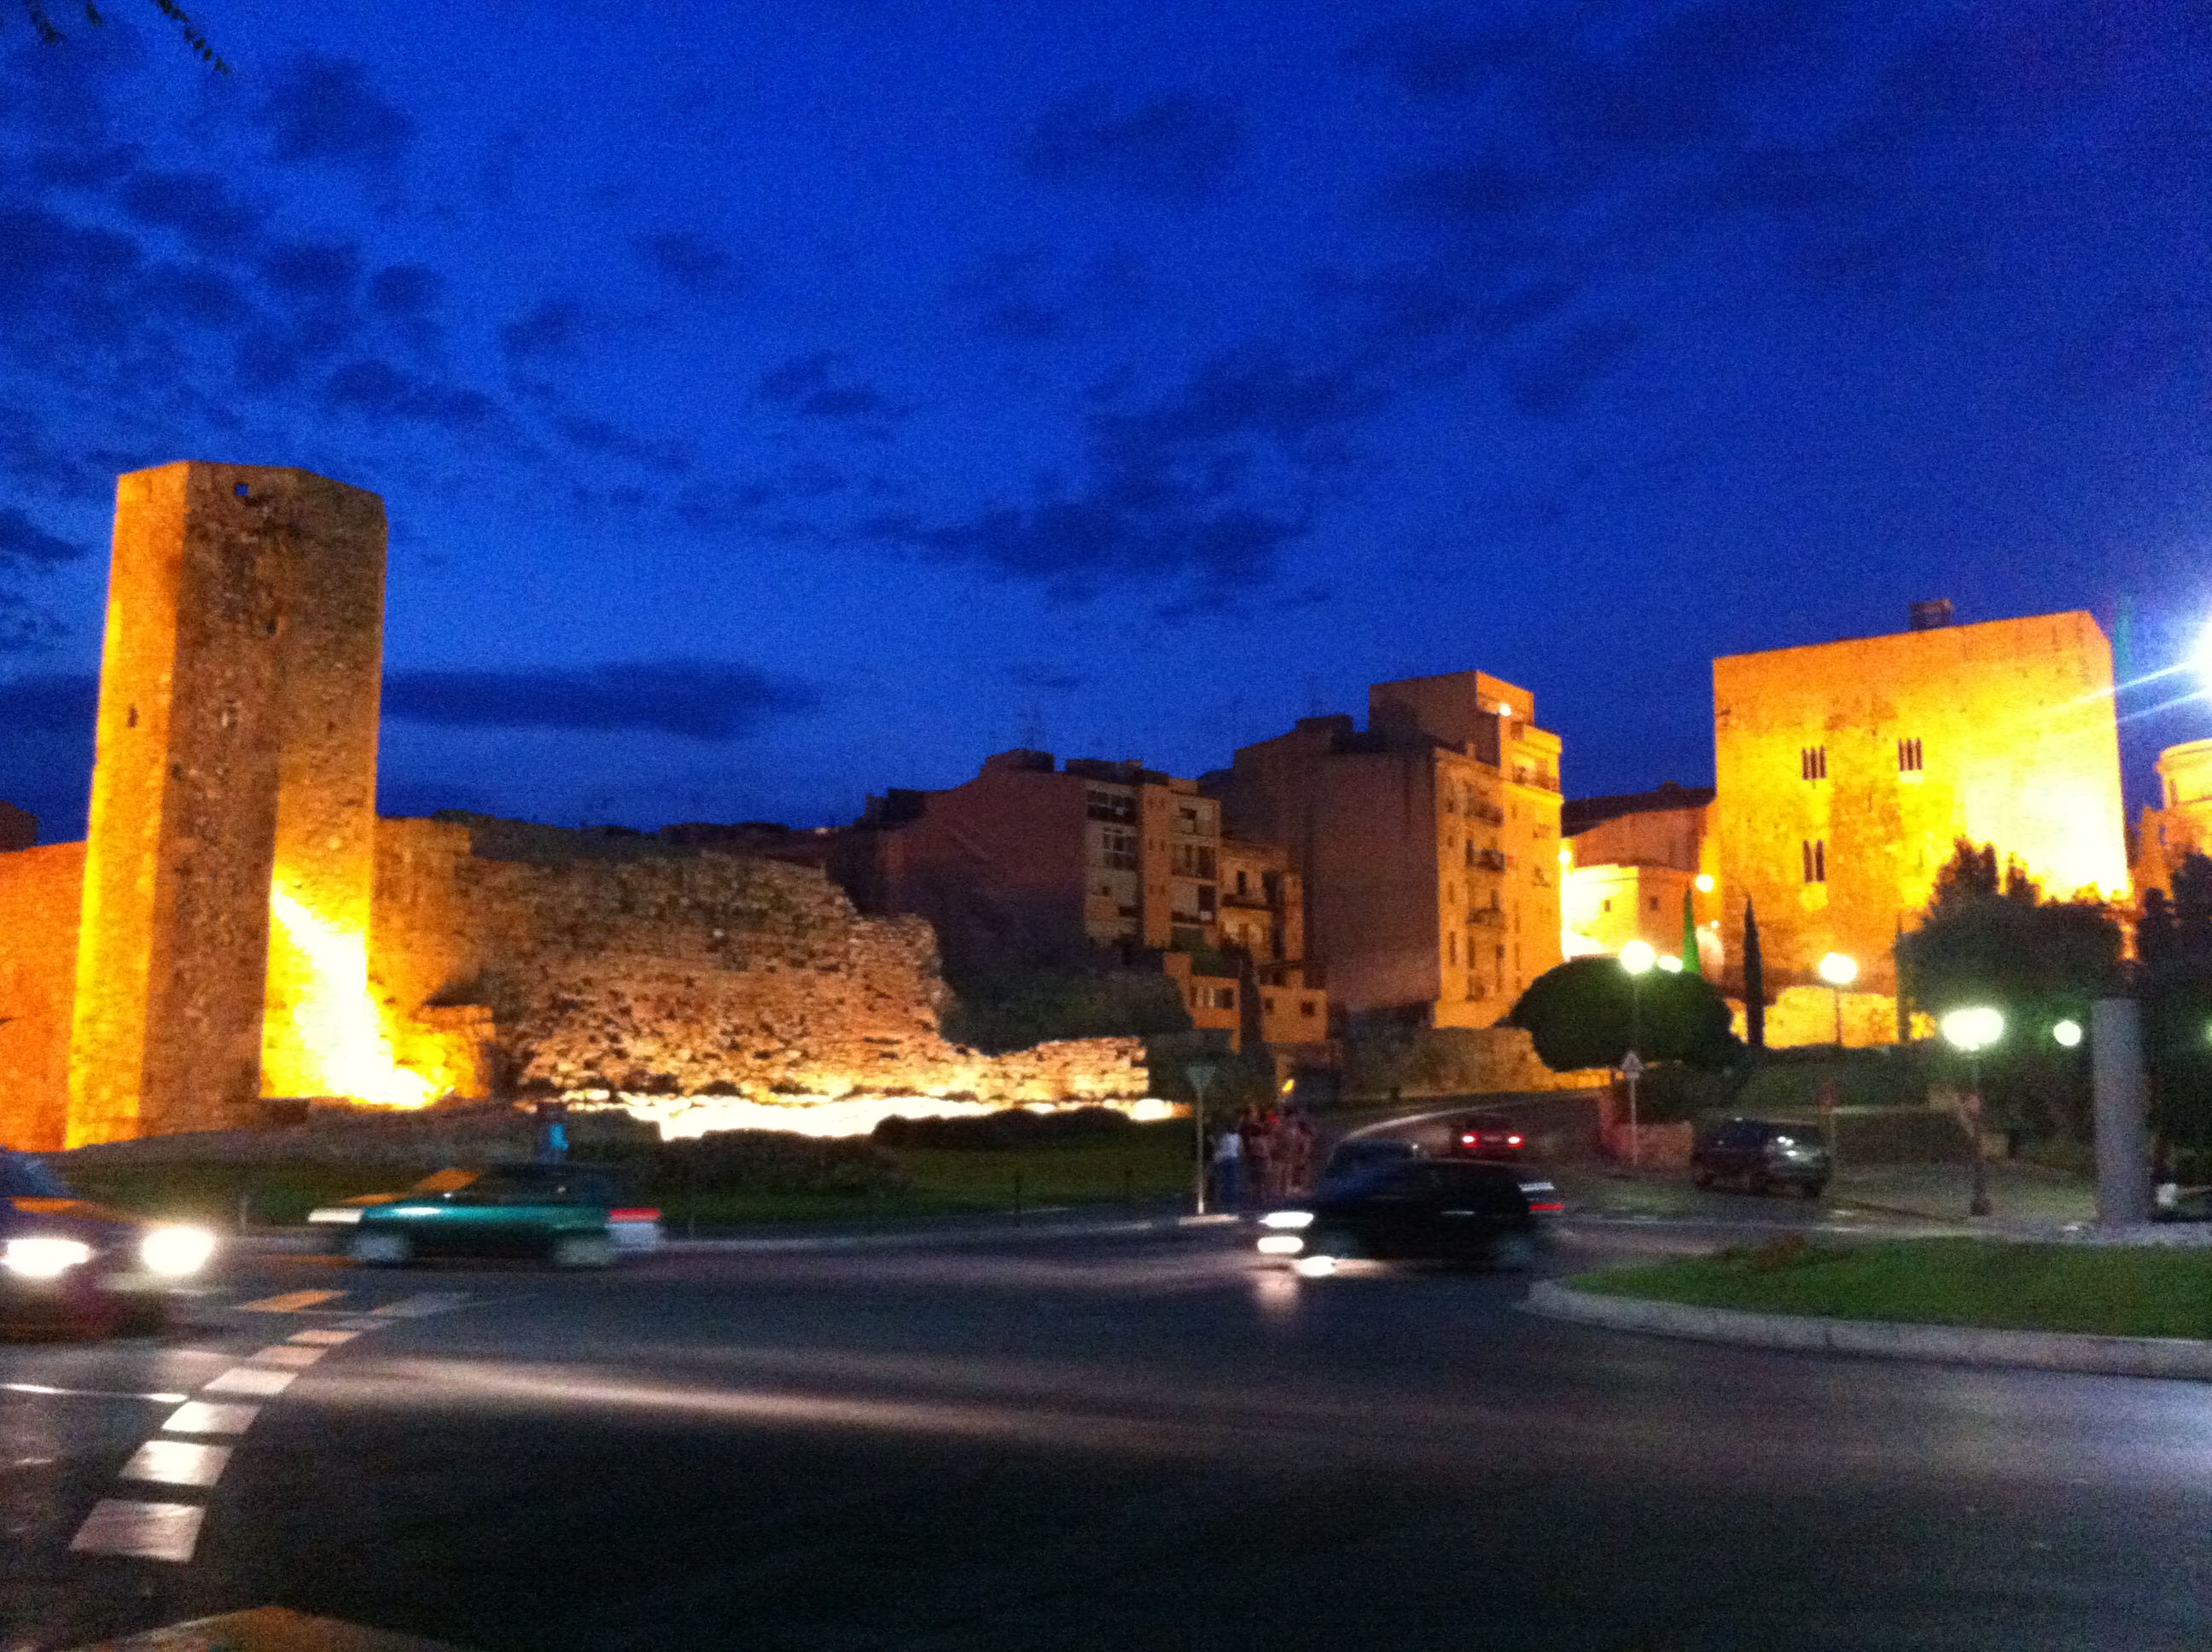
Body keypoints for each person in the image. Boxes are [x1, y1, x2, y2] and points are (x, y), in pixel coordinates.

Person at [1210, 1120, 1243, 1208]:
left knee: (1223, 1180)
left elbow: (1218, 1147)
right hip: (1232, 1159)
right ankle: (1232, 1200)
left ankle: (1222, 1200)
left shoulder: (1223, 1136)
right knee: (1233, 1181)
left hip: (1223, 1159)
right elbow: (1241, 1149)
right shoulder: (1237, 1136)